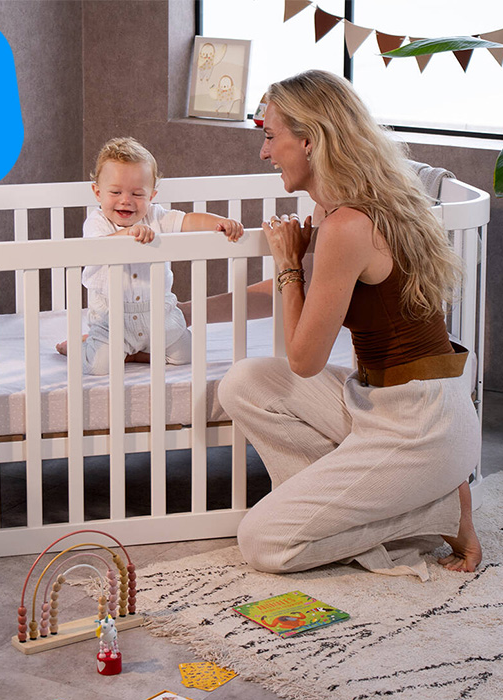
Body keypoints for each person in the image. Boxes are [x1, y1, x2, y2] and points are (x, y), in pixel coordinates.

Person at [217, 70, 481, 580]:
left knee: (262, 542)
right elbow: (313, 295)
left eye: (270, 136)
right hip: (382, 400)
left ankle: (438, 510)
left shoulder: (347, 225)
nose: (264, 153)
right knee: (245, 382)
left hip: (422, 424)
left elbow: (304, 360)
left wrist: (288, 265)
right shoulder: (340, 207)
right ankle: (356, 500)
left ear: (309, 140)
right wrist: (181, 311)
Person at [56, 136, 243, 375]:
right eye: (115, 192)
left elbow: (187, 220)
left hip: (158, 316)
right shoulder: (97, 223)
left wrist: (220, 222)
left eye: (137, 194)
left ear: (152, 196)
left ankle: (133, 354)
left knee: (188, 355)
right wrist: (127, 233)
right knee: (98, 367)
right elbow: (97, 248)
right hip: (112, 320)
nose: (126, 200)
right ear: (97, 192)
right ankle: (80, 347)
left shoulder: (156, 217)